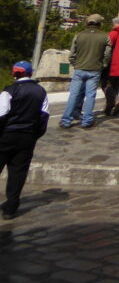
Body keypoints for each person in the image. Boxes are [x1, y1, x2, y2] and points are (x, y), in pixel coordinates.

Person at [0, 61, 49, 219]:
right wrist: (34, 135)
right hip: (27, 137)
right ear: (30, 73)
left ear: (15, 73)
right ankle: (11, 207)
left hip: (6, 135)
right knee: (18, 172)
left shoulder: (9, 91)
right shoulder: (41, 91)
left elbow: (1, 115)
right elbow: (44, 116)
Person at [60, 14, 109, 129]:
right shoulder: (105, 37)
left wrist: (75, 64)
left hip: (79, 69)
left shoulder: (79, 35)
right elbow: (107, 54)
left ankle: (66, 120)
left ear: (87, 23)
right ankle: (87, 121)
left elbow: (72, 54)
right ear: (99, 24)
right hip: (95, 69)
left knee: (74, 95)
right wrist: (103, 65)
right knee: (90, 95)